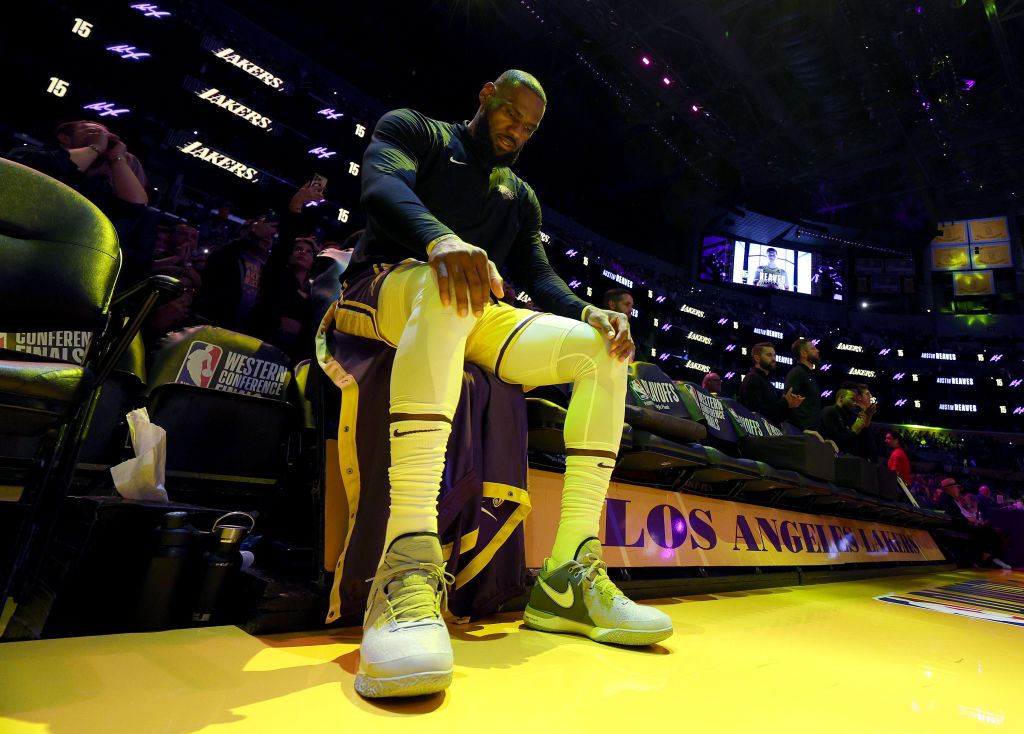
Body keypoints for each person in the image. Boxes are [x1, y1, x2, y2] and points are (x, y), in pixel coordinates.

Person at [326, 70, 671, 699]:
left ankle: (568, 575)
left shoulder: (520, 194)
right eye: (511, 114)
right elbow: (378, 186)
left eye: (530, 126)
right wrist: (441, 239)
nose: (517, 131)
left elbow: (538, 276)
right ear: (485, 95)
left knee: (604, 352)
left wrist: (589, 311)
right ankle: (405, 564)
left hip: (466, 304)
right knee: (451, 285)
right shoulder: (415, 130)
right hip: (381, 286)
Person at [936, 478, 1009, 568]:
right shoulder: (946, 499)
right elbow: (954, 516)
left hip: (962, 523)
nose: (958, 490)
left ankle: (987, 558)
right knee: (989, 531)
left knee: (990, 530)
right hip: (958, 526)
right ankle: (991, 559)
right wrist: (970, 521)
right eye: (956, 487)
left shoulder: (951, 499)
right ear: (950, 488)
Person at [737, 341, 804, 423]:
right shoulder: (752, 378)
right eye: (769, 355)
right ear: (757, 358)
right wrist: (785, 402)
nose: (773, 359)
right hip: (760, 434)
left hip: (770, 433)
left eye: (774, 355)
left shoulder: (766, 382)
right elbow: (756, 411)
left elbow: (774, 414)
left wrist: (790, 405)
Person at [819, 381, 877, 456]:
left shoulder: (847, 415)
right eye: (852, 399)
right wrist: (855, 428)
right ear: (841, 398)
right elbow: (837, 441)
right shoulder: (829, 411)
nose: (855, 402)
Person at [784, 338, 822, 431]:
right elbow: (789, 403)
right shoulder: (797, 373)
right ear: (803, 353)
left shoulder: (809, 375)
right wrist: (803, 429)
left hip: (810, 431)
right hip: (801, 433)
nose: (817, 351)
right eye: (813, 348)